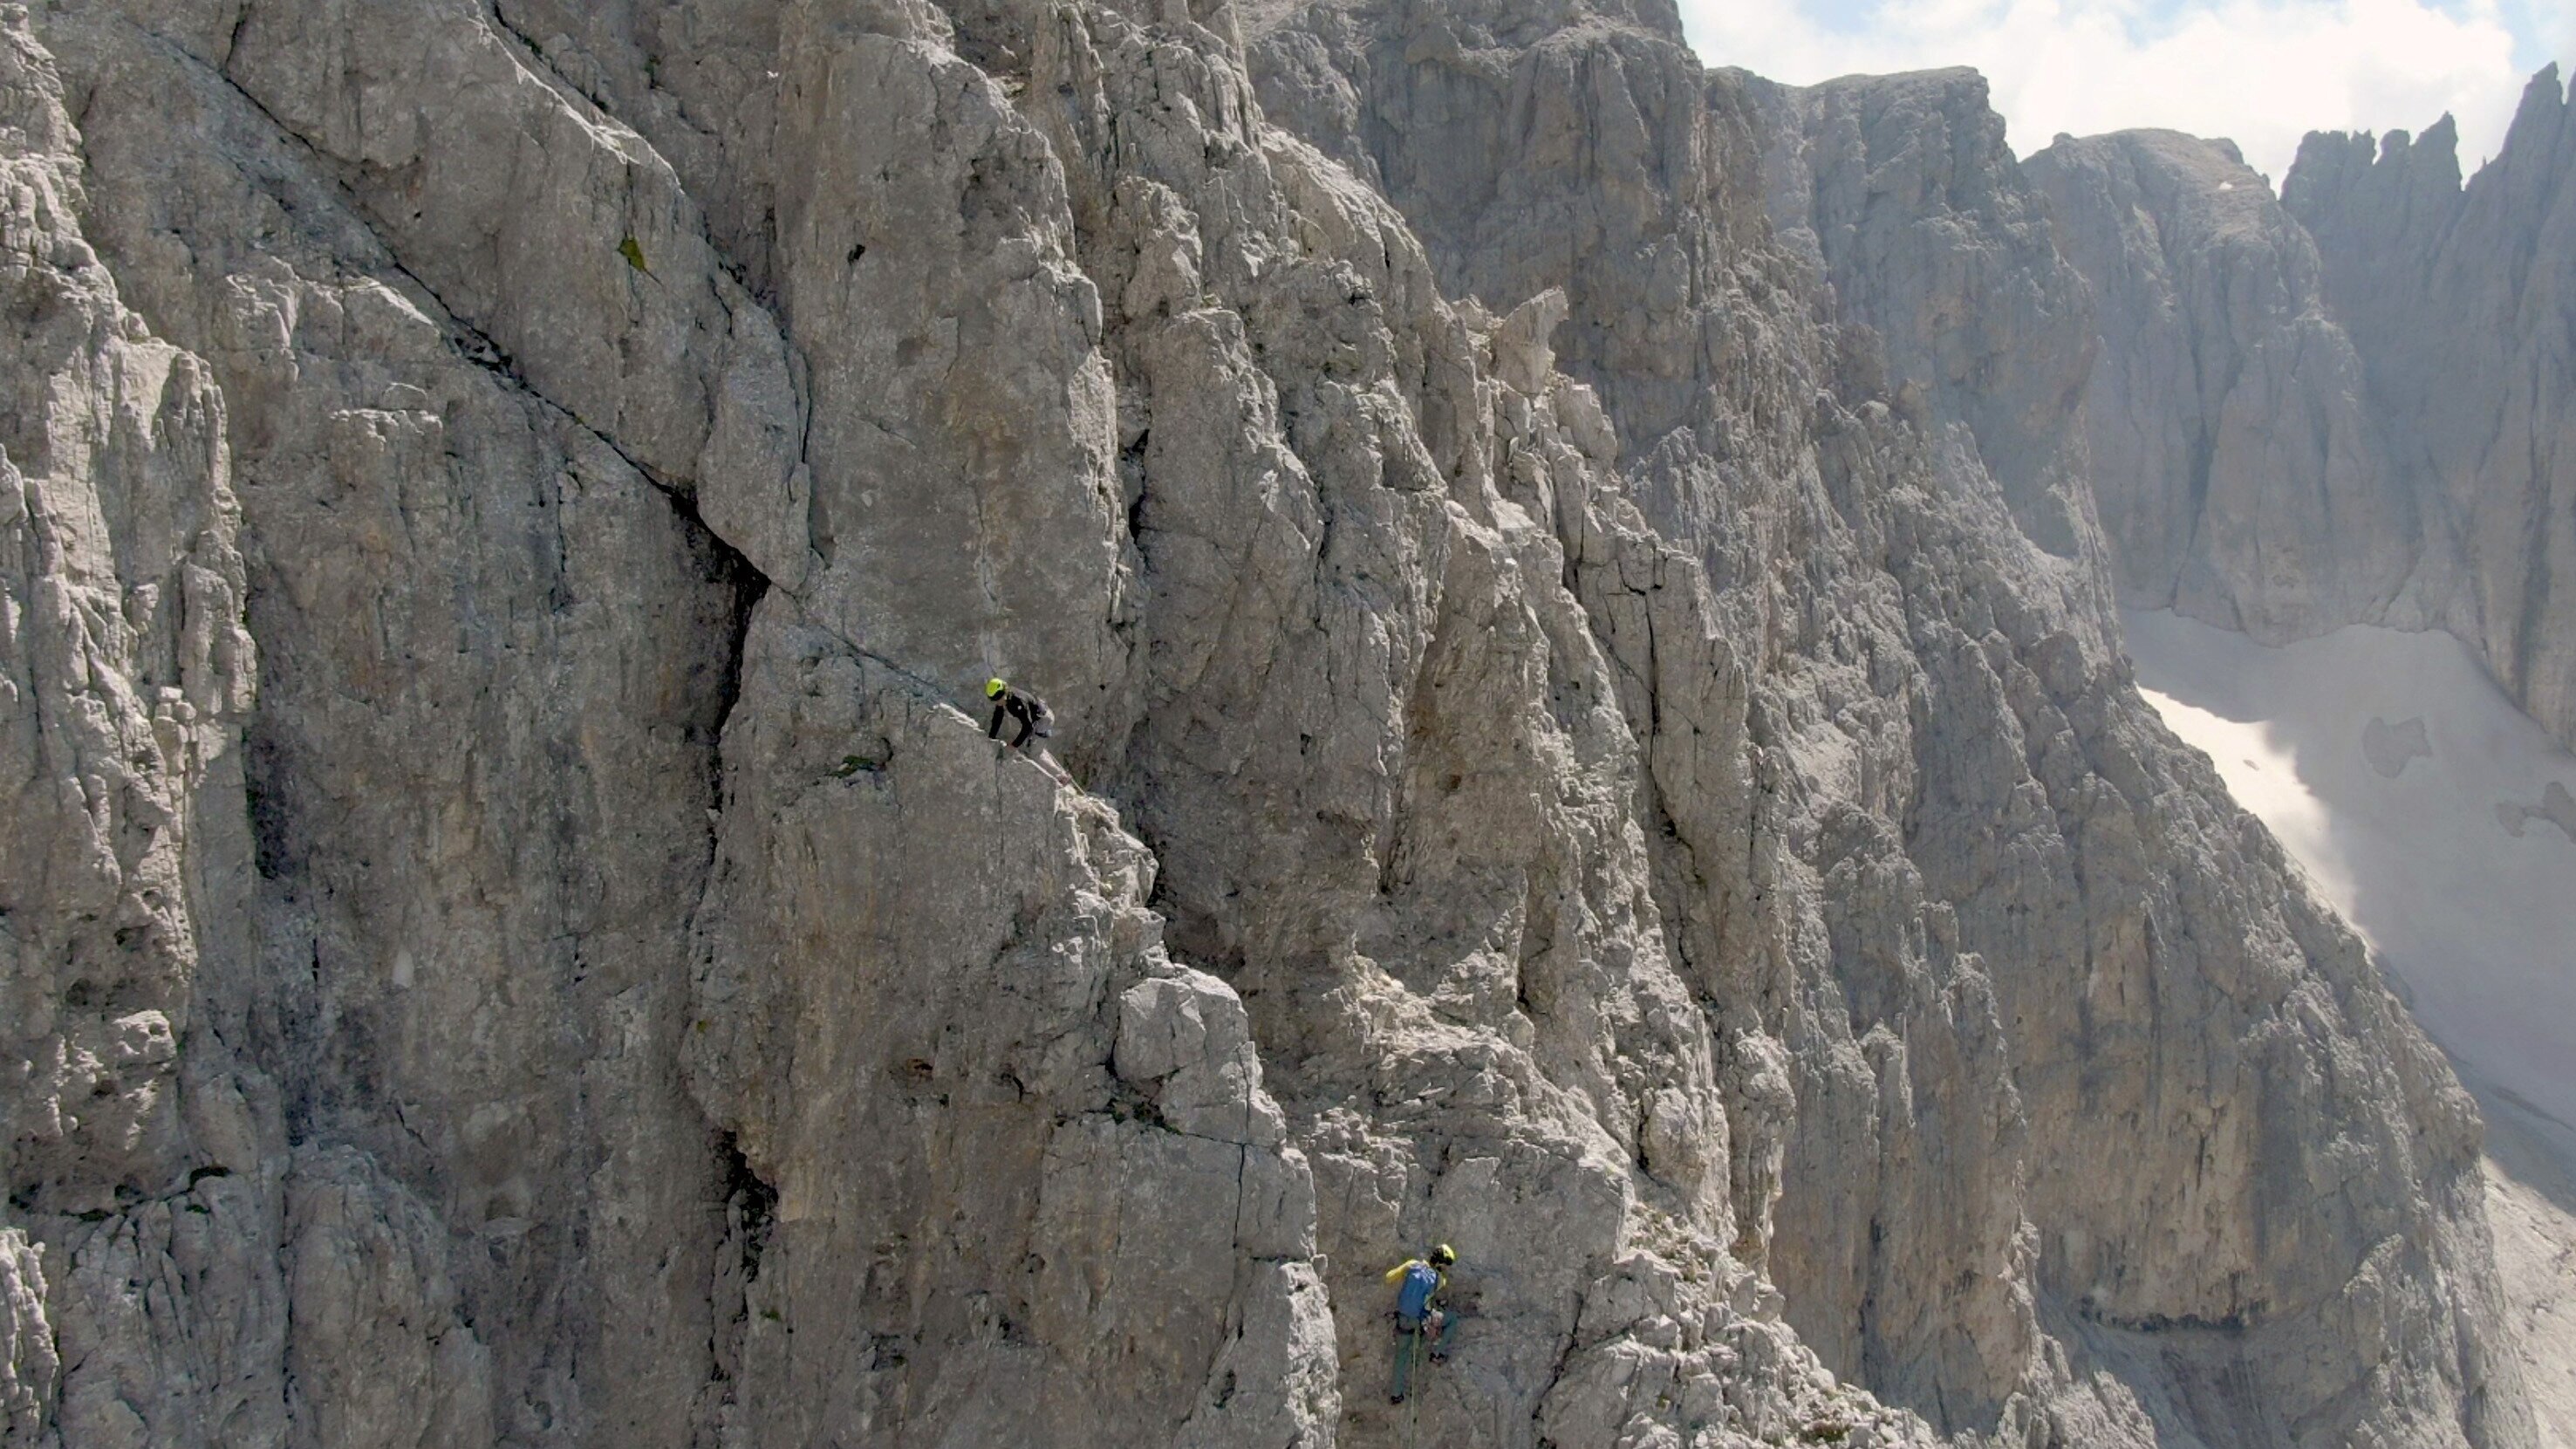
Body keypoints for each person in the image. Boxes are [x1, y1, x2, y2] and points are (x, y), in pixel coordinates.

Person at [1383, 1243, 1458, 1404]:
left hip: (1403, 1319)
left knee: (1401, 1355)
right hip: (1420, 1320)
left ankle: (1396, 1394)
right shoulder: (1439, 1280)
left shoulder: (1411, 1265)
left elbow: (1389, 1277)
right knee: (1452, 1319)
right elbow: (1431, 1294)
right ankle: (1437, 1352)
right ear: (1441, 1264)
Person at [985, 677, 1052, 753]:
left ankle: (1041, 752)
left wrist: (1014, 745)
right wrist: (991, 737)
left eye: (997, 699)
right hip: (1035, 716)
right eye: (993, 699)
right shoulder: (1007, 696)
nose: (996, 702)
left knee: (1033, 754)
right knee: (1029, 745)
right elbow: (998, 717)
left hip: (1043, 720)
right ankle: (1040, 747)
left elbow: (1028, 726)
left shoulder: (1016, 703)